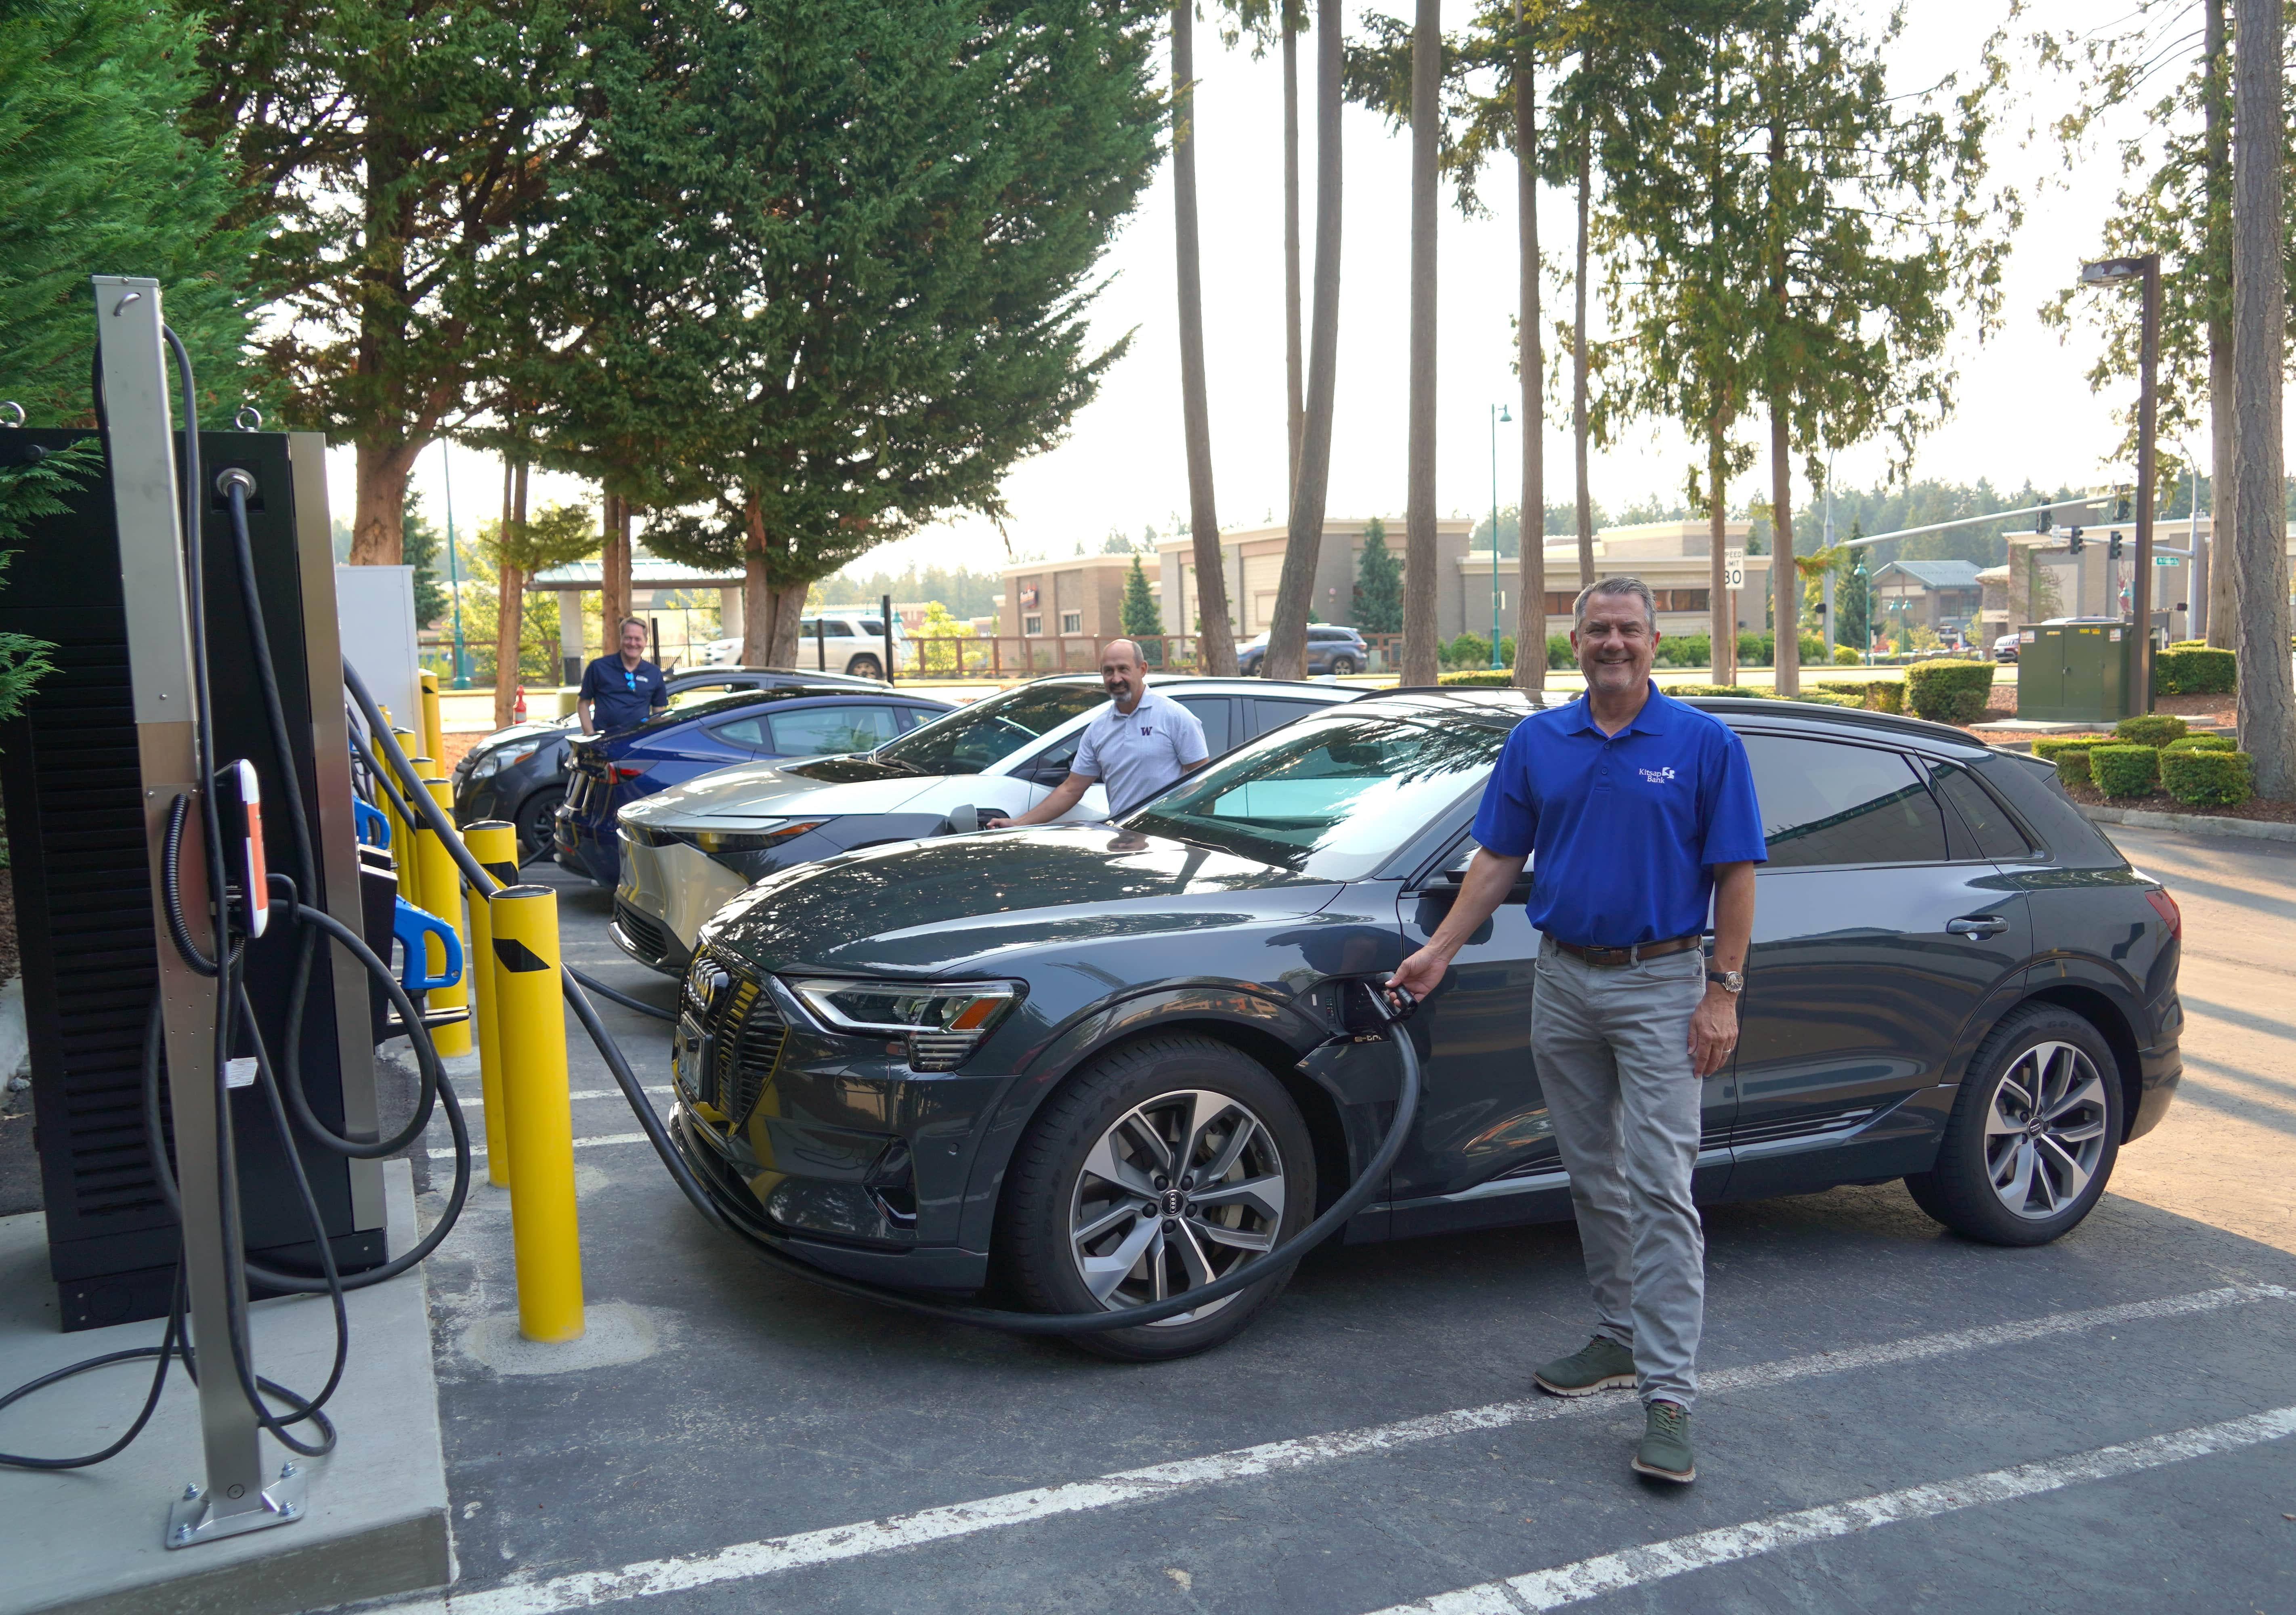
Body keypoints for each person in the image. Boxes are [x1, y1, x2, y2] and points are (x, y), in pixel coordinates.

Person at [1389, 576, 1764, 1487]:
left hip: (1662, 982)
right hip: (1561, 976)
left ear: (1653, 641)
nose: (1612, 642)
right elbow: (1496, 858)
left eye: (1627, 628)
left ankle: (1669, 1394)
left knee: (1661, 1183)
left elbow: (1735, 873)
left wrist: (1722, 992)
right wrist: (1438, 949)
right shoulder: (1537, 741)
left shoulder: (1702, 743)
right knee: (1590, 1168)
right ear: (1575, 640)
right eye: (1596, 628)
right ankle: (1617, 1334)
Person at [986, 640, 1207, 827]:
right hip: (1126, 839)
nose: (1116, 678)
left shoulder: (1175, 717)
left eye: (1123, 669)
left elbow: (1202, 784)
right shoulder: (1098, 729)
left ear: (1142, 670)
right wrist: (1018, 823)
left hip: (1170, 839)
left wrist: (1188, 832)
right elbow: (1071, 790)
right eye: (1108, 671)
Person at [579, 617, 668, 736]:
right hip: (605, 742)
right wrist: (590, 734)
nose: (632, 643)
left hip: (639, 741)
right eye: (628, 638)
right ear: (621, 639)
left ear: (646, 641)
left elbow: (658, 711)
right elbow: (583, 703)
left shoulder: (654, 672)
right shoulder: (598, 667)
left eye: (638, 639)